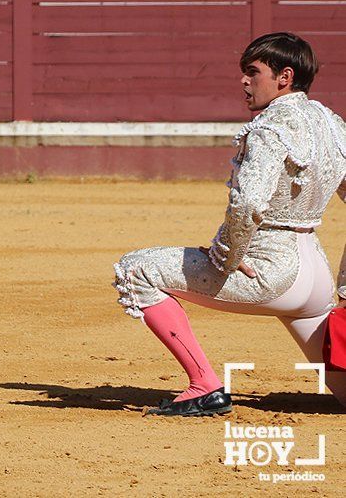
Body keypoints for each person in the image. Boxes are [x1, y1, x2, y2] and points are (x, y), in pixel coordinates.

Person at [113, 32, 346, 416]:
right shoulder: (332, 125)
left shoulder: (270, 128)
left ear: (284, 76)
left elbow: (250, 202)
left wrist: (225, 253)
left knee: (138, 270)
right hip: (316, 278)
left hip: (269, 271)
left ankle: (204, 386)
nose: (243, 81)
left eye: (253, 72)